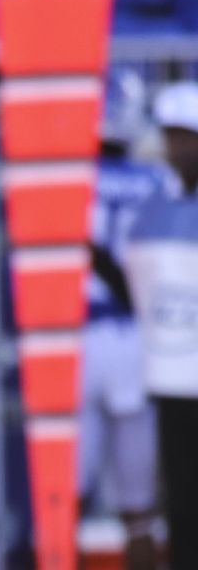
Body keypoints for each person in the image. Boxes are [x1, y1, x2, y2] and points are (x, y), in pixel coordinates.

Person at [79, 68, 164, 570]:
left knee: (64, 491)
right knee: (139, 500)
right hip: (136, 337)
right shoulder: (156, 179)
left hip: (76, 336)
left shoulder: (69, 178)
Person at [125, 80, 198, 570]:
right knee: (182, 491)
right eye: (172, 135)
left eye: (186, 135)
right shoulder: (153, 209)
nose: (178, 147)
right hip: (173, 375)